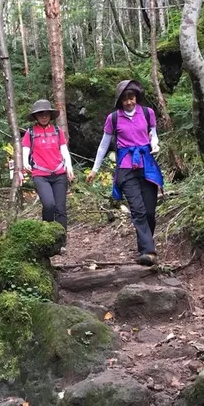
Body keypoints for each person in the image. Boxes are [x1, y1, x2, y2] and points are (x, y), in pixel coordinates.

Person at [86, 80, 163, 266]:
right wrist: (94, 170)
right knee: (138, 210)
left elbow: (153, 134)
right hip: (126, 167)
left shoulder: (147, 113)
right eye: (125, 99)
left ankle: (145, 244)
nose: (129, 102)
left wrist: (155, 144)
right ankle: (148, 251)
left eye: (131, 98)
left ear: (136, 97)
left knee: (150, 211)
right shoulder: (113, 118)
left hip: (147, 165)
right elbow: (104, 145)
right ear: (119, 101)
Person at [22, 99, 74, 232]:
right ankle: (47, 234)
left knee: (60, 209)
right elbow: (25, 149)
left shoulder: (57, 131)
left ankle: (61, 239)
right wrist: (25, 163)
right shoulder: (31, 132)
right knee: (49, 205)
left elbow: (63, 150)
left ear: (50, 115)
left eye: (46, 113)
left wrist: (69, 166)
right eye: (40, 114)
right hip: (40, 175)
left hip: (59, 174)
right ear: (35, 116)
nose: (44, 116)